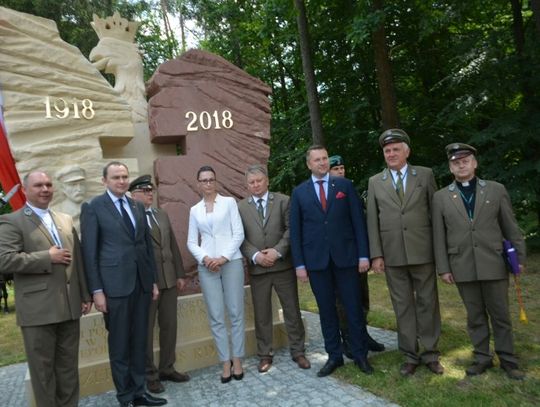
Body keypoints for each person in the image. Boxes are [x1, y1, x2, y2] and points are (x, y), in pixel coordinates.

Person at [432, 143, 526, 380]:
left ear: (474, 163)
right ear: (450, 167)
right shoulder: (441, 197)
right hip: (461, 264)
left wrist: (519, 259)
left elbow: (510, 226)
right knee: (474, 316)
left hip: (493, 262)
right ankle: (482, 357)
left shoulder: (495, 190)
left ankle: (508, 359)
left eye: (465, 160)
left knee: (501, 315)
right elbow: (438, 236)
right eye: (455, 162)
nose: (460, 165)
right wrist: (443, 268)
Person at [0, 170, 91, 407]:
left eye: (48, 184)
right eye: (38, 185)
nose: (45, 189)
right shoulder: (12, 220)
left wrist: (84, 295)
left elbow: (77, 260)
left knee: (68, 370)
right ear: (25, 189)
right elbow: (5, 260)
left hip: (70, 308)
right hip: (37, 312)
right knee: (43, 373)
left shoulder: (64, 219)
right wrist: (46, 257)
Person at [80, 162, 166, 407]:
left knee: (140, 342)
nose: (121, 181)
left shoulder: (137, 205)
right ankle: (125, 396)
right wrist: (96, 291)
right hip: (113, 288)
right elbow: (90, 252)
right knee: (120, 345)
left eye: (124, 176)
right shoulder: (93, 207)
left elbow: (145, 248)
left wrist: (152, 282)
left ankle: (140, 393)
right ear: (104, 181)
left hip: (141, 286)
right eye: (116, 177)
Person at [290, 145, 373, 377]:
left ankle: (360, 355)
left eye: (325, 158)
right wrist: (299, 265)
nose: (322, 163)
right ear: (309, 164)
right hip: (316, 262)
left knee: (353, 309)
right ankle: (334, 356)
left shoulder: (344, 186)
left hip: (346, 259)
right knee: (326, 311)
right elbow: (295, 232)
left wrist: (363, 255)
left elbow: (358, 222)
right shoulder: (299, 193)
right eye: (317, 160)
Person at [366, 129, 443, 377]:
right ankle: (410, 354)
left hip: (423, 252)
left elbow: (435, 215)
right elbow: (372, 222)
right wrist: (376, 255)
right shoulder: (375, 182)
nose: (391, 153)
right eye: (387, 150)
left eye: (395, 149)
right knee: (402, 306)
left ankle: (430, 353)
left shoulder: (425, 175)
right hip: (393, 255)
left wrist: (439, 253)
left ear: (406, 151)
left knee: (428, 303)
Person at [237, 164, 311, 373]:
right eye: (251, 182)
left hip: (282, 266)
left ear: (267, 180)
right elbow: (239, 237)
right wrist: (256, 255)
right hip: (258, 269)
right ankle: (265, 354)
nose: (256, 185)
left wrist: (277, 251)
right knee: (262, 314)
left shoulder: (283, 201)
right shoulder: (240, 207)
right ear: (247, 185)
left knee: (291, 310)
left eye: (259, 180)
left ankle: (298, 351)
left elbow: (291, 230)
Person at [128, 175, 190, 393]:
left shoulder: (160, 214)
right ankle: (150, 374)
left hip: (169, 279)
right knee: (145, 330)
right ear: (132, 194)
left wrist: (180, 274)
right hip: (147, 284)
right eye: (144, 191)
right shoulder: (131, 217)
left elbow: (172, 244)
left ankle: (167, 367)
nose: (149, 194)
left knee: (169, 325)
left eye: (150, 191)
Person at [186, 165, 246, 383]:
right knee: (216, 316)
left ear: (216, 181)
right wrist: (205, 259)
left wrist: (223, 257)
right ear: (198, 184)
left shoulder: (229, 203)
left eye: (211, 179)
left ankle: (238, 359)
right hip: (207, 266)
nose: (208, 183)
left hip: (231, 262)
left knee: (236, 312)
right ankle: (225, 362)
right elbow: (192, 241)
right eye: (204, 180)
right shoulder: (195, 210)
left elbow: (238, 233)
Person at [328, 155, 385, 355]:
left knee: (362, 296)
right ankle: (348, 338)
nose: (341, 171)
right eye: (336, 169)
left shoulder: (350, 189)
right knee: (342, 300)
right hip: (339, 257)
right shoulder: (328, 195)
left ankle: (363, 334)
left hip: (357, 255)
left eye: (342, 168)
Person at [55, 165, 87, 232]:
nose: (79, 189)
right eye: (73, 185)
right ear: (62, 188)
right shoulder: (55, 211)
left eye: (82, 184)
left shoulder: (94, 207)